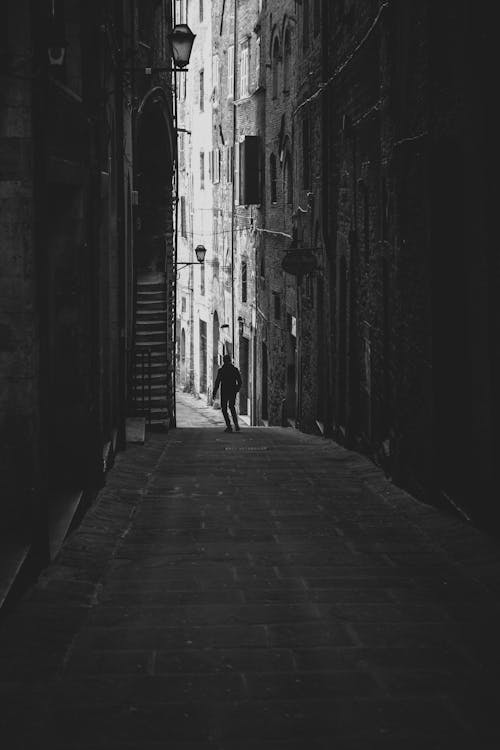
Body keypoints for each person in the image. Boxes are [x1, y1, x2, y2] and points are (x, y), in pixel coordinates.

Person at [213, 354, 242, 432]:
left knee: (224, 409)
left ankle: (229, 426)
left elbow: (217, 382)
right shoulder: (235, 370)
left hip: (224, 391)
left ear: (223, 361)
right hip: (232, 391)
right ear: (230, 361)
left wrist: (214, 393)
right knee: (232, 407)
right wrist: (237, 389)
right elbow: (240, 381)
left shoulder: (221, 370)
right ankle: (236, 425)